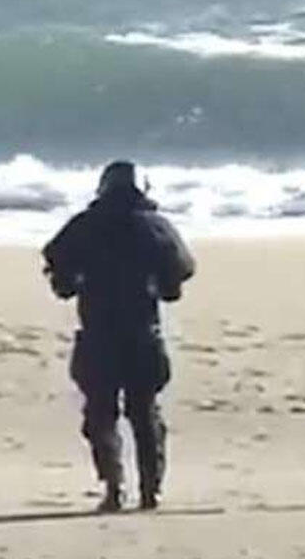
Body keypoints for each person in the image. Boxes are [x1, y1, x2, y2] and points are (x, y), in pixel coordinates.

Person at [41, 161, 194, 512]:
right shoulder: (156, 227)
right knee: (144, 413)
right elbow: (180, 274)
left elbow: (57, 268)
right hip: (142, 334)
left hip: (98, 335)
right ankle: (150, 490)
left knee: (100, 414)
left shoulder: (84, 225)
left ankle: (113, 487)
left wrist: (70, 281)